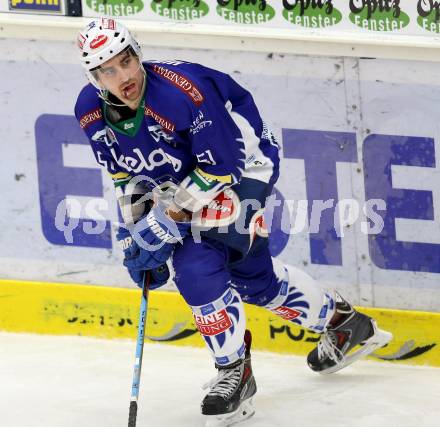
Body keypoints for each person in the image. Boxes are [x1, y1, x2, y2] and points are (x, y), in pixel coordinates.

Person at [75, 18, 392, 427]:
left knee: (195, 263)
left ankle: (234, 374)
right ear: (94, 76)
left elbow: (221, 166)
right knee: (254, 280)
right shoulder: (90, 110)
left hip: (245, 167)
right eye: (107, 70)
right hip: (194, 175)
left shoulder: (181, 94)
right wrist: (137, 232)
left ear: (138, 53)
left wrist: (165, 222)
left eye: (126, 61)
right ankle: (346, 325)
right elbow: (126, 174)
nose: (123, 76)